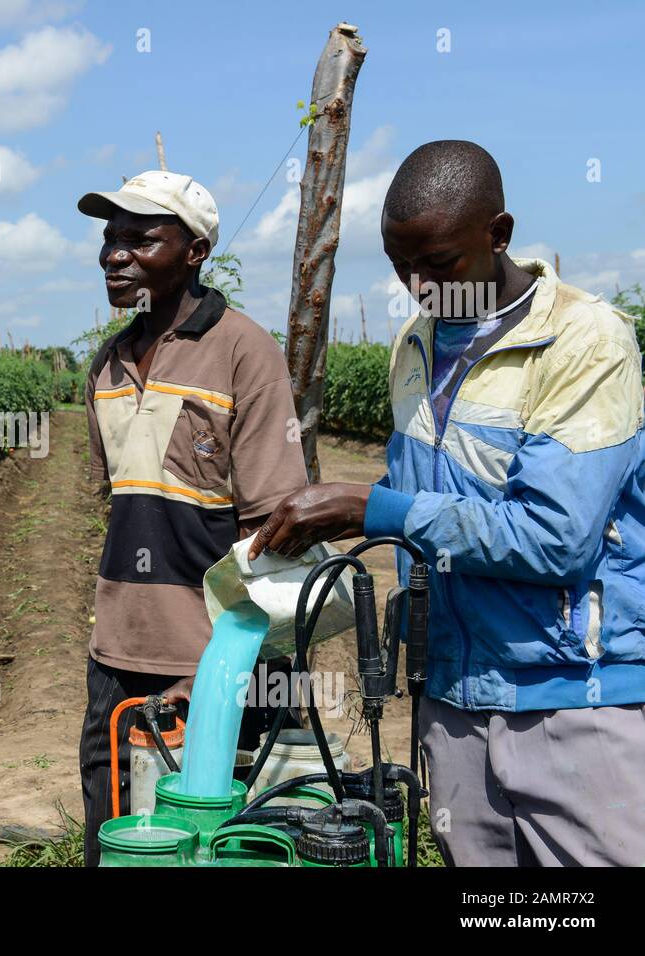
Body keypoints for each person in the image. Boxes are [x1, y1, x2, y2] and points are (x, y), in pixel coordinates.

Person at [250, 140, 645, 866]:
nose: (420, 286)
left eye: (439, 264)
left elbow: (557, 541)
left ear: (499, 233)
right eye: (402, 267)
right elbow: (428, 507)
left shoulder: (584, 342)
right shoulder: (419, 342)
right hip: (453, 701)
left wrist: (376, 509)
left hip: (572, 704)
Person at [76, 171, 309, 865]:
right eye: (110, 238)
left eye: (141, 238)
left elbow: (276, 530)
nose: (116, 254)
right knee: (116, 834)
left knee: (226, 840)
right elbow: (121, 508)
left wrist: (220, 666)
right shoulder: (106, 363)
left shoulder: (245, 351)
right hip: (118, 654)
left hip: (222, 661)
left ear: (195, 251)